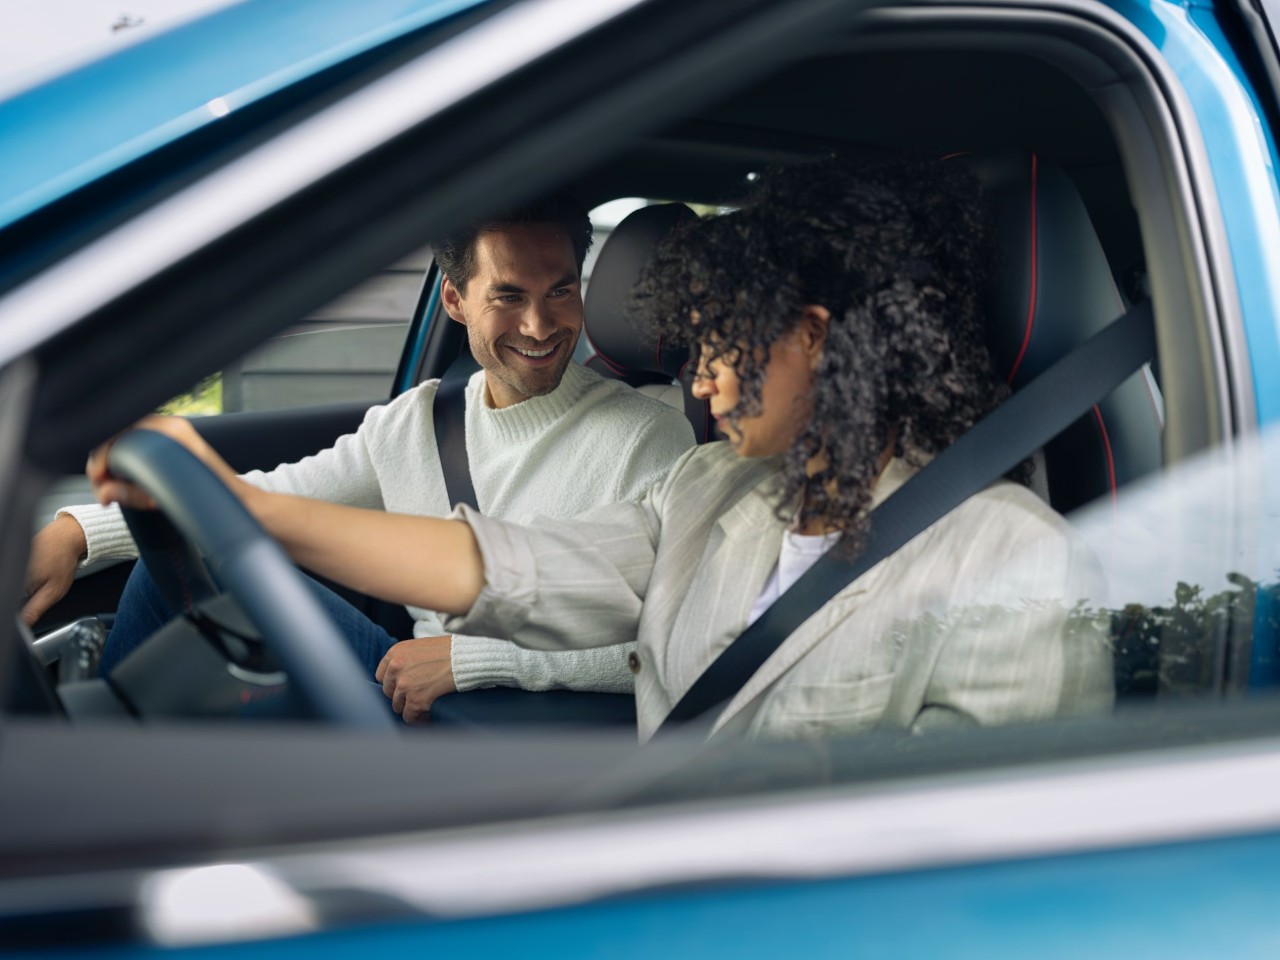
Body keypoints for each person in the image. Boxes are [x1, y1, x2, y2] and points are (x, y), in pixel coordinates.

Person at [88, 158, 1113, 741]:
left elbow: (960, 876)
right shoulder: (714, 490)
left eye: (721, 344)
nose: (699, 380)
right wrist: (234, 504)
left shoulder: (1005, 557)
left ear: (809, 334)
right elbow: (497, 566)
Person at [26, 194, 696, 722]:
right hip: (405, 687)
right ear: (455, 300)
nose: (541, 326)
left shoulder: (651, 439)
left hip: (522, 722)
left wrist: (472, 662)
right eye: (508, 297)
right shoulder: (419, 422)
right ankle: (95, 761)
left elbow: (673, 645)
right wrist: (78, 532)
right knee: (174, 565)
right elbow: (276, 499)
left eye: (559, 291)